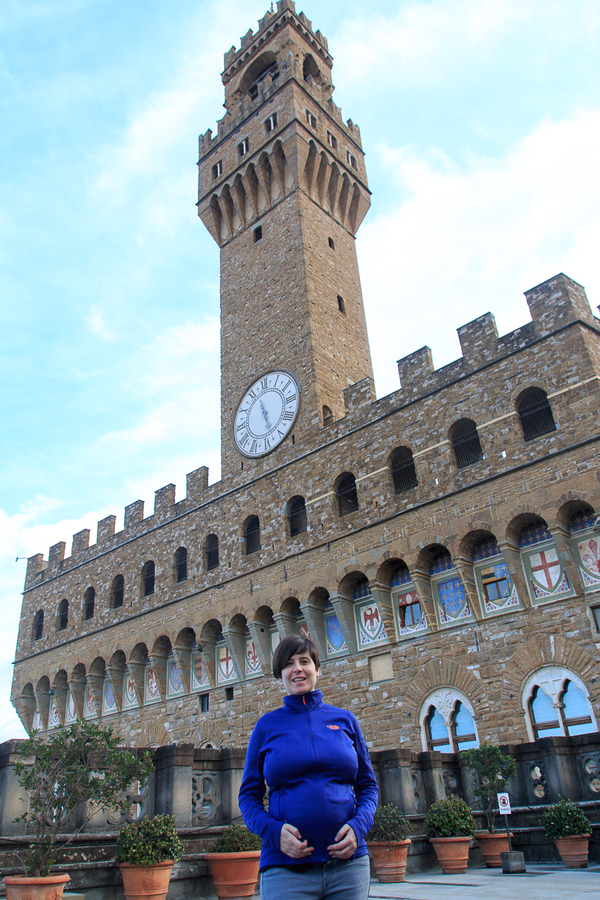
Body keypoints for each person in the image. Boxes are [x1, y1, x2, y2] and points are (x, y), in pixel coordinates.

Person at [238, 634, 378, 900]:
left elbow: (368, 786)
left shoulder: (345, 720)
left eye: (304, 661)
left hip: (348, 866)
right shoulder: (266, 727)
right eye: (288, 664)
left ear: (317, 669)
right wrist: (274, 833)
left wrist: (359, 828)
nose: (297, 669)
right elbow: (248, 797)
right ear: (280, 674)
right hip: (286, 869)